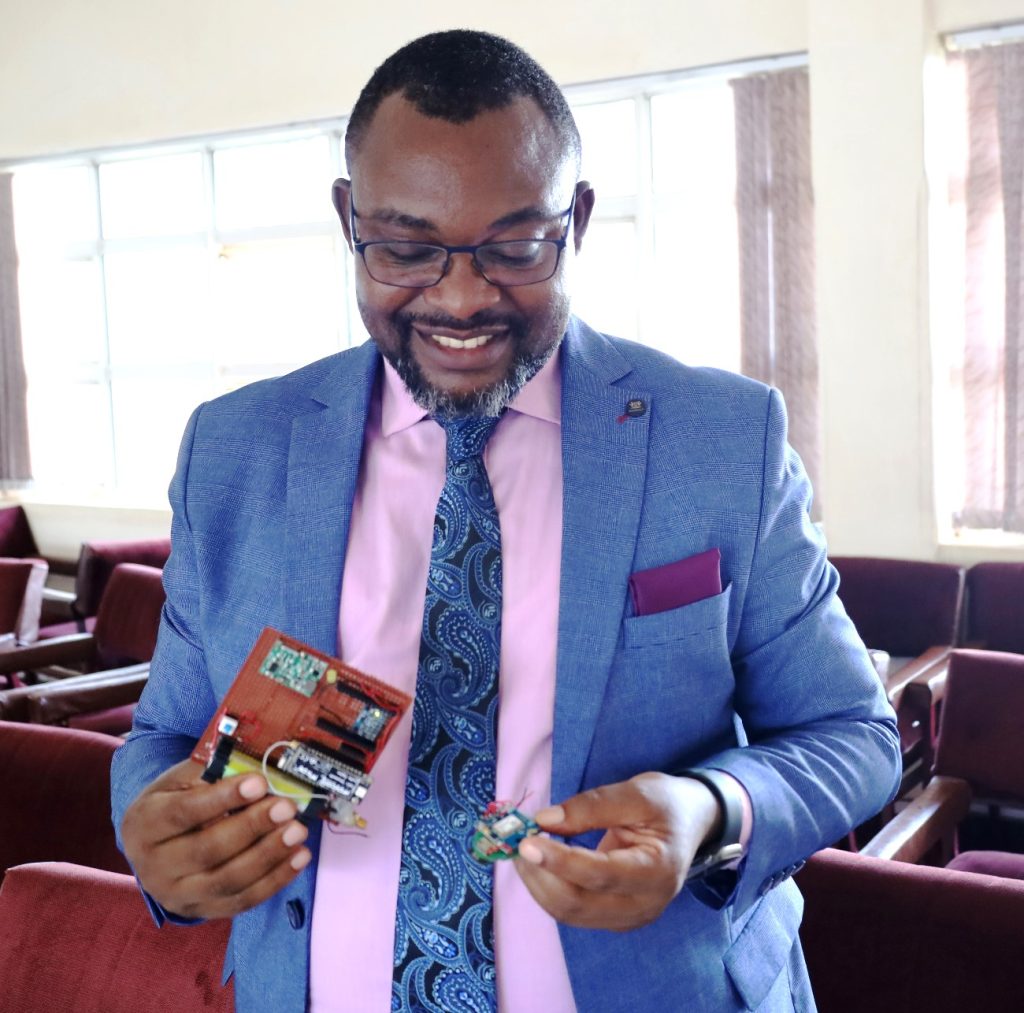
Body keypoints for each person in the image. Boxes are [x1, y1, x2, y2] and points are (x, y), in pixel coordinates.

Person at [112, 29, 901, 1013]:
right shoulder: (235, 449)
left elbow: (851, 735)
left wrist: (708, 808)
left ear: (575, 219)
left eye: (514, 245)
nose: (460, 296)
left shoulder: (720, 438)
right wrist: (152, 831)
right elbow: (169, 737)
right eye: (406, 246)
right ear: (348, 218)